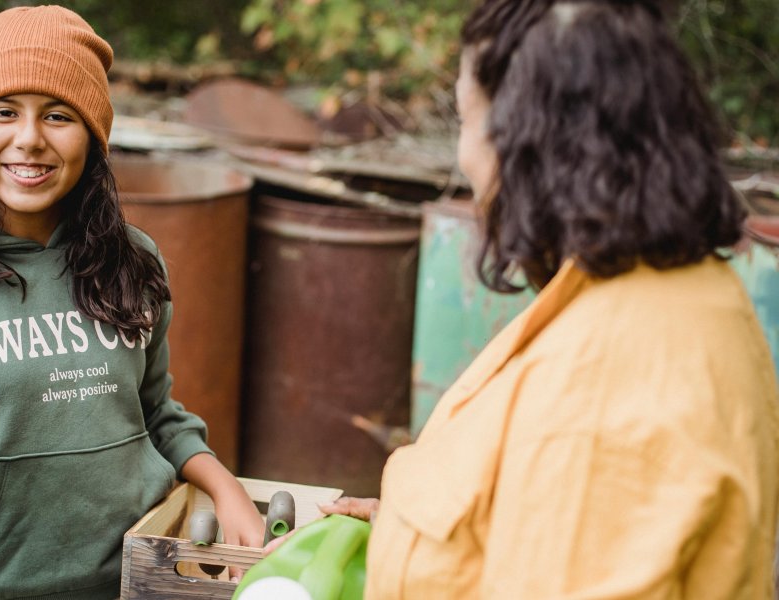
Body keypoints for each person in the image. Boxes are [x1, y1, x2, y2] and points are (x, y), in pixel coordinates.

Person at [288, 0, 779, 597]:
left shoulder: (602, 404)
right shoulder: (669, 296)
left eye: (468, 122)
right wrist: (403, 535)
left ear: (528, 143)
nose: (464, 159)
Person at [0, 6, 263, 599]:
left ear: (93, 135)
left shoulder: (132, 263)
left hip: (135, 582)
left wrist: (228, 489)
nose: (29, 139)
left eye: (59, 115)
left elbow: (156, 414)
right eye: (4, 112)